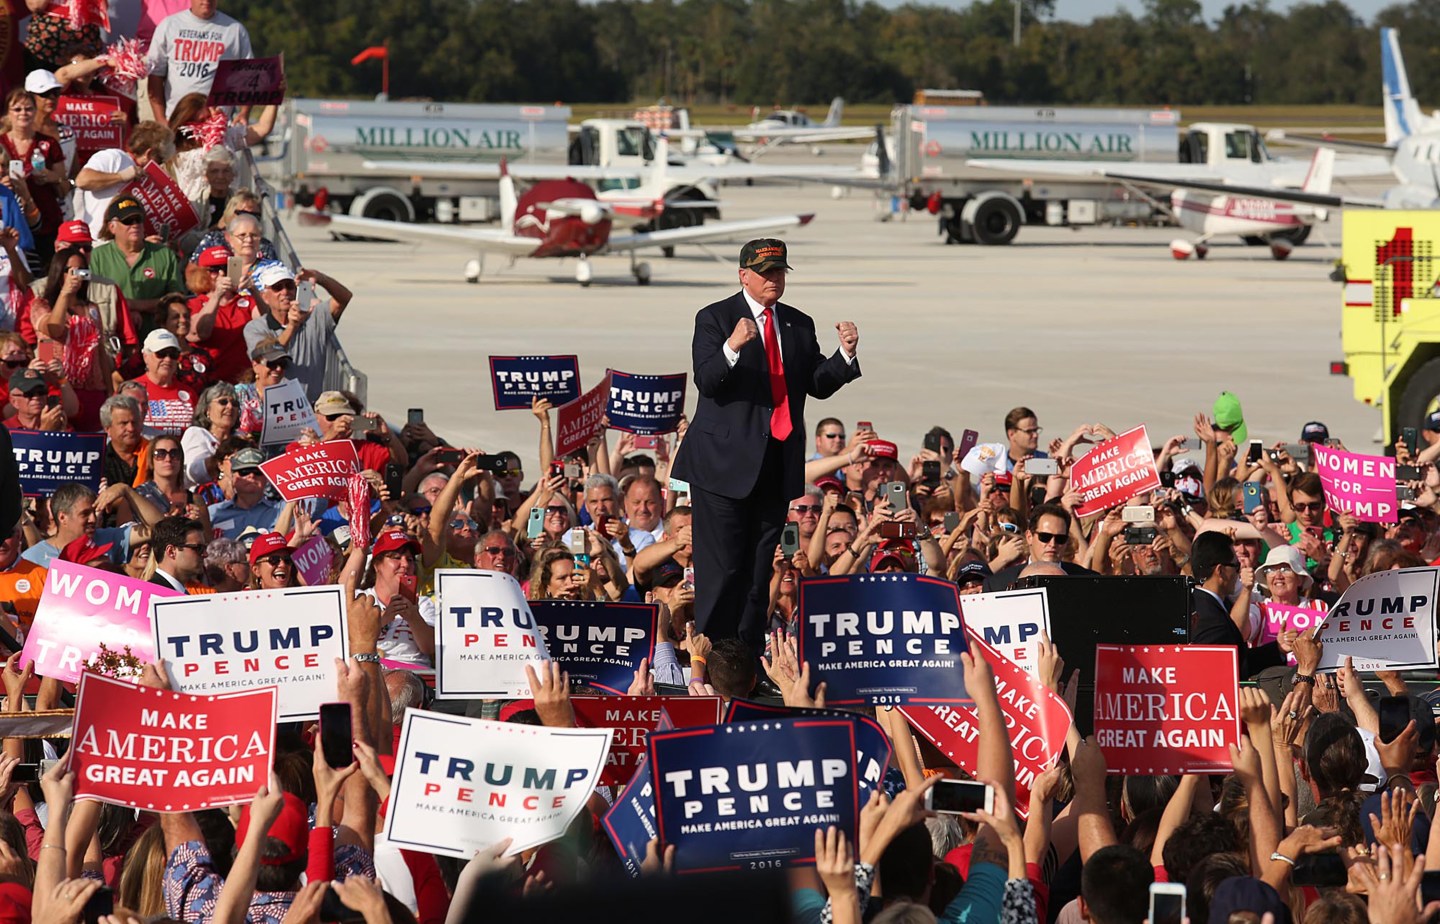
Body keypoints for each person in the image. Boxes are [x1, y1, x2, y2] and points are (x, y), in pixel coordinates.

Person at [671, 238, 860, 650]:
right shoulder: (716, 318)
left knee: (759, 571)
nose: (773, 279)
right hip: (722, 466)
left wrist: (843, 357)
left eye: (779, 272)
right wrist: (733, 347)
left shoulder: (797, 322)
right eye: (765, 272)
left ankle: (746, 657)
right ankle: (713, 656)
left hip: (775, 464)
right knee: (722, 569)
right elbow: (707, 380)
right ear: (743, 275)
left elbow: (815, 384)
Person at [241, 260, 354, 402]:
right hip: (272, 410)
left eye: (289, 286)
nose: (285, 292)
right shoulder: (255, 328)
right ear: (265, 297)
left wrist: (319, 277)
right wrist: (292, 326)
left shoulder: (316, 318)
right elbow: (269, 355)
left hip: (308, 411)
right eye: (277, 288)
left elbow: (344, 298)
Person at [145, 0, 253, 122]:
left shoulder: (235, 30)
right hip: (177, 121)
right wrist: (161, 120)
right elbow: (155, 76)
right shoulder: (169, 25)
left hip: (216, 123)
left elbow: (247, 78)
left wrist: (244, 113)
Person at [87, 196, 183, 331]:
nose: (135, 225)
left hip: (156, 337)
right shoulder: (98, 256)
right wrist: (126, 311)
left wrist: (134, 305)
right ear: (112, 227)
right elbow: (92, 299)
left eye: (138, 220)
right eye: (127, 221)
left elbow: (177, 299)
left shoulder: (164, 255)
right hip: (112, 334)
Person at [72, 122, 174, 238]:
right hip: (100, 242)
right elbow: (82, 180)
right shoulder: (114, 157)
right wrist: (121, 176)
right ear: (148, 154)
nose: (160, 166)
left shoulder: (149, 177)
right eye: (160, 160)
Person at [0, 87, 67, 263]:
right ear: (8, 113)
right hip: (10, 222)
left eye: (29, 108)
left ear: (35, 111)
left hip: (46, 220)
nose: (23, 113)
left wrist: (51, 176)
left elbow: (64, 188)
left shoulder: (48, 143)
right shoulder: (1, 143)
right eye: (17, 109)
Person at [187, 244, 258, 383]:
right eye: (214, 270)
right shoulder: (194, 304)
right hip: (209, 381)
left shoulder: (247, 301)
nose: (222, 274)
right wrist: (217, 296)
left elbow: (266, 325)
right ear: (202, 274)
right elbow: (199, 333)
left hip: (243, 381)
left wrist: (254, 290)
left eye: (227, 268)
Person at [129, 329, 200, 435]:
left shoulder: (189, 393)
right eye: (161, 353)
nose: (168, 359)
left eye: (173, 354)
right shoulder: (130, 390)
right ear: (145, 357)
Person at [207, 446, 280, 537]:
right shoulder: (213, 513)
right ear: (233, 477)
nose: (251, 476)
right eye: (244, 471)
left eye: (258, 471)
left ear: (266, 477)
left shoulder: (281, 510)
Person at [180, 381, 239, 488]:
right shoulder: (196, 434)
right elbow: (194, 473)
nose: (230, 407)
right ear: (207, 410)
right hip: (202, 499)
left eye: (235, 404)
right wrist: (224, 455)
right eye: (223, 402)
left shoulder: (240, 438)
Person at [147, 514, 205, 591]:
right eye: (198, 548)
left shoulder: (179, 592)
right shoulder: (153, 595)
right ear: (171, 551)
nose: (205, 554)